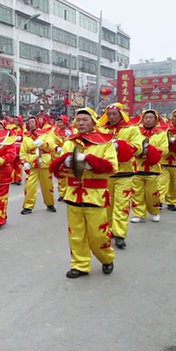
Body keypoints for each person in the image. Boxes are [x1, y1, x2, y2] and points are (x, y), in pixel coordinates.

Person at [49, 107, 117, 278]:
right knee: (76, 234)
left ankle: (106, 258)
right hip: (73, 195)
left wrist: (90, 161)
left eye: (85, 120)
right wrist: (64, 162)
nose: (81, 123)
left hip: (96, 196)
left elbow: (112, 168)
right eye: (78, 120)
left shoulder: (105, 142)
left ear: (94, 122)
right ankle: (80, 265)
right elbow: (58, 172)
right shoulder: (69, 142)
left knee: (98, 235)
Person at [98, 103, 144, 249]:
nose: (111, 117)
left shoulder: (131, 129)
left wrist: (121, 145)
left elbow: (139, 148)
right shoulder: (101, 129)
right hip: (107, 173)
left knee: (122, 204)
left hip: (126, 172)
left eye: (114, 114)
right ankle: (108, 231)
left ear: (121, 114)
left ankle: (119, 234)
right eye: (109, 114)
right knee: (106, 205)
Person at [131, 109, 168, 223]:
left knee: (153, 193)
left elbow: (165, 149)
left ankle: (155, 211)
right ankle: (139, 214)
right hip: (137, 167)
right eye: (146, 117)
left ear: (155, 119)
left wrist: (151, 151)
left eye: (150, 117)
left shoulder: (161, 133)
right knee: (137, 193)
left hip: (153, 168)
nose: (148, 120)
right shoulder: (137, 131)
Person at [19, 116, 56, 215]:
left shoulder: (45, 133)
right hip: (32, 164)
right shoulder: (26, 136)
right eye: (29, 122)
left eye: (33, 121)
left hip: (44, 163)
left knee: (47, 186)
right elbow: (23, 151)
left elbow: (52, 146)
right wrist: (24, 162)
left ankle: (50, 203)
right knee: (30, 186)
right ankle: (28, 206)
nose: (31, 123)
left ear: (37, 123)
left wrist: (43, 144)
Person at [0, 121, 17, 231]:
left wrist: (2, 159)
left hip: (4, 173)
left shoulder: (9, 141)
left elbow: (12, 154)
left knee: (1, 198)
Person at [158, 109, 176, 211]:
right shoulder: (166, 129)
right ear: (172, 117)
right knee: (162, 182)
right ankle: (159, 201)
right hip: (164, 162)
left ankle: (171, 202)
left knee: (174, 184)